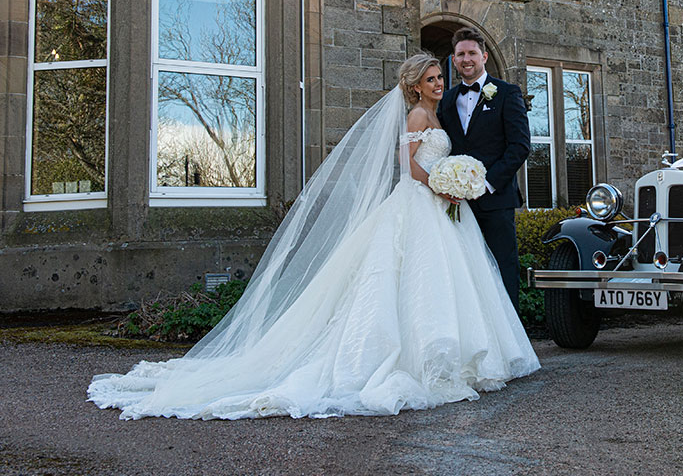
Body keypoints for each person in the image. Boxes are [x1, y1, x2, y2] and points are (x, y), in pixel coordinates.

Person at [87, 53, 539, 419]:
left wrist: (451, 185)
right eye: (432, 76)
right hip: (422, 203)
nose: (440, 81)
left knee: (444, 282)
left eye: (442, 75)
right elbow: (410, 169)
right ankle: (420, 360)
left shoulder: (436, 112)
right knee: (411, 280)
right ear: (414, 84)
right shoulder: (418, 115)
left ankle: (458, 357)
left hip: (440, 209)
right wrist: (442, 185)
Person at [436, 28, 531, 309]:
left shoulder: (506, 93)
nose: (467, 59)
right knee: (465, 272)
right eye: (461, 54)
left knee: (502, 269)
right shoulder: (447, 101)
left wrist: (486, 184)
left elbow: (519, 146)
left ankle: (513, 346)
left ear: (484, 57)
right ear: (454, 60)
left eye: (472, 53)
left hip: (496, 201)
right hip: (458, 205)